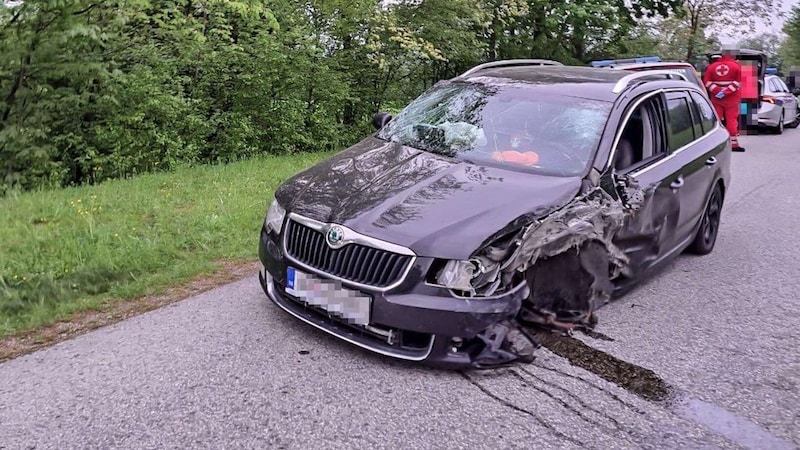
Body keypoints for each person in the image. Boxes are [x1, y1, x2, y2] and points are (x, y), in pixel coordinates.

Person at [703, 50, 746, 152]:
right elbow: (738, 82)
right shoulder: (736, 66)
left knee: (716, 120)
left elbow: (707, 82)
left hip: (716, 98)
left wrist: (718, 91)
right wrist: (725, 92)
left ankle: (713, 143)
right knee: (731, 120)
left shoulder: (711, 67)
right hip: (732, 98)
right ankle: (734, 144)